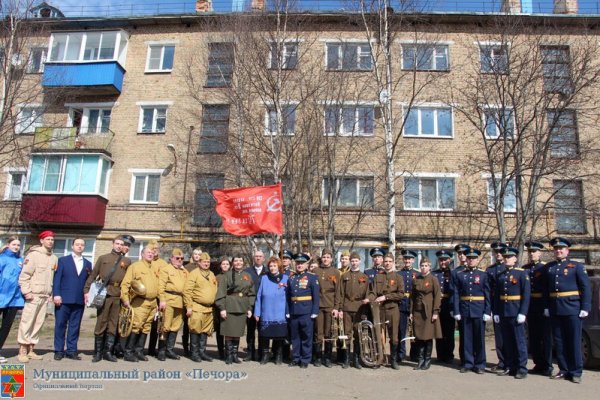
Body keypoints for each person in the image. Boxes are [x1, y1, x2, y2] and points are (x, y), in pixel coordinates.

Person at [544, 237, 591, 384]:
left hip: (572, 308)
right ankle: (563, 369)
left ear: (567, 251)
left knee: (573, 341)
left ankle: (576, 371)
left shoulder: (576, 266)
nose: (558, 251)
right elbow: (546, 289)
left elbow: (585, 288)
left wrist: (585, 307)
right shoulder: (549, 267)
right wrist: (546, 306)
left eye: (561, 249)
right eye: (556, 249)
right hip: (555, 309)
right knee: (559, 341)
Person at [84, 235, 131, 362]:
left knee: (113, 324)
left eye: (122, 244)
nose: (119, 246)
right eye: (117, 243)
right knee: (101, 322)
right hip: (103, 293)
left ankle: (108, 352)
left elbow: (128, 280)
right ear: (113, 244)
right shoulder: (103, 258)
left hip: (118, 295)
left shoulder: (127, 261)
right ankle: (98, 352)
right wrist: (86, 291)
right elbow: (93, 275)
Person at [17, 230, 58, 363]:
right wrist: (26, 292)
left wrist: (51, 294)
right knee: (27, 322)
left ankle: (31, 349)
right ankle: (22, 350)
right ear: (41, 241)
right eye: (48, 239)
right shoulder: (33, 255)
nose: (50, 242)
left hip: (45, 296)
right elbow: (24, 276)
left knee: (38, 323)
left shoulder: (54, 258)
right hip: (33, 295)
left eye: (52, 240)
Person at [493, 246, 530, 379]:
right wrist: (496, 312)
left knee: (519, 341)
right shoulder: (501, 275)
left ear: (515, 259)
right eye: (505, 257)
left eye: (509, 257)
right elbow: (497, 296)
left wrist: (523, 312)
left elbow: (526, 295)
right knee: (507, 341)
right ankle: (511, 366)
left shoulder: (521, 273)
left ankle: (522, 367)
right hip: (504, 312)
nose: (507, 259)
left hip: (516, 311)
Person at [452, 248, 491, 374]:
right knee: (466, 338)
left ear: (477, 260)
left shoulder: (483, 274)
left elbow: (487, 294)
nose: (471, 260)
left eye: (473, 258)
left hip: (478, 309)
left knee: (479, 338)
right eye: (469, 258)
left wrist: (487, 311)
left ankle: (480, 364)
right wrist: (456, 311)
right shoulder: (460, 274)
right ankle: (468, 363)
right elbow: (456, 294)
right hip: (465, 309)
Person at [52, 238, 92, 360]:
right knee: (60, 325)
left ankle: (71, 350)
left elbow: (88, 282)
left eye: (82, 245)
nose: (80, 246)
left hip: (79, 300)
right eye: (77, 244)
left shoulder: (88, 263)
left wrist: (88, 294)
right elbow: (57, 279)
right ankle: (58, 350)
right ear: (72, 246)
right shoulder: (63, 261)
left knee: (75, 326)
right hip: (63, 299)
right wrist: (56, 294)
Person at [120, 246, 159, 362]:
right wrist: (125, 299)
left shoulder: (154, 268)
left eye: (152, 253)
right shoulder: (135, 266)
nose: (150, 254)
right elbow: (125, 284)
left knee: (146, 327)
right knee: (136, 326)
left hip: (152, 302)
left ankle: (139, 351)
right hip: (139, 302)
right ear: (142, 254)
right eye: (148, 252)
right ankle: (128, 352)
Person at [216, 254, 256, 364]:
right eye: (236, 261)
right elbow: (221, 293)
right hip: (229, 306)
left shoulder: (247, 275)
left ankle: (235, 355)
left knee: (238, 332)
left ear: (243, 263)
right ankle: (228, 355)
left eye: (240, 261)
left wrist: (249, 308)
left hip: (242, 307)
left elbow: (251, 294)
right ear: (233, 263)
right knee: (229, 332)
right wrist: (222, 308)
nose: (238, 263)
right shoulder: (227, 275)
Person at [368, 252, 404, 370]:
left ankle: (393, 360)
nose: (387, 263)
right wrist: (369, 299)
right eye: (386, 261)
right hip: (380, 309)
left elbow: (400, 294)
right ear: (383, 263)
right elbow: (373, 292)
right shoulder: (378, 276)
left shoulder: (398, 277)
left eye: (389, 261)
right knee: (379, 335)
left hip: (393, 309)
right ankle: (380, 359)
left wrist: (386, 297)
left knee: (393, 336)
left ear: (393, 263)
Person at [333, 251, 369, 369]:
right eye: (352, 261)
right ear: (350, 262)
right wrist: (340, 308)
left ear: (359, 262)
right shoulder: (344, 276)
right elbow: (340, 293)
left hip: (359, 307)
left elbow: (367, 295)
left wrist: (364, 310)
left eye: (356, 261)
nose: (354, 263)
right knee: (347, 334)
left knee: (358, 333)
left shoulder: (364, 277)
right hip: (347, 307)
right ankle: (347, 359)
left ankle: (356, 359)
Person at [523, 241, 553, 376]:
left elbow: (548, 288)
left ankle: (547, 365)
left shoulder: (545, 268)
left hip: (542, 304)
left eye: (534, 251)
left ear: (540, 253)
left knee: (545, 337)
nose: (532, 254)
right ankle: (538, 363)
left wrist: (547, 306)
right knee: (533, 336)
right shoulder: (525, 268)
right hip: (530, 305)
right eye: (530, 252)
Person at [183, 252, 218, 363]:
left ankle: (202, 352)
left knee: (205, 331)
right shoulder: (194, 274)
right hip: (197, 306)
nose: (206, 264)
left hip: (209, 308)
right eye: (204, 262)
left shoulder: (212, 274)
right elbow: (187, 291)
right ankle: (194, 353)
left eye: (208, 262)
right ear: (199, 262)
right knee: (195, 330)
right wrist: (189, 307)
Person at [287, 253, 320, 369]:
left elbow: (316, 296)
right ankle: (296, 358)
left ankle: (305, 359)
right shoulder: (292, 278)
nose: (299, 265)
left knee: (306, 336)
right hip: (294, 311)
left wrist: (315, 311)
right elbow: (288, 296)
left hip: (306, 311)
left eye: (302, 263)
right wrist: (288, 310)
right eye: (298, 263)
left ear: (307, 264)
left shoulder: (312, 277)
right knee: (295, 337)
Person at [254, 256, 289, 365]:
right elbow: (259, 296)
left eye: (274, 266)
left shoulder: (286, 278)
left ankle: (278, 355)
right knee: (265, 335)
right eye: (270, 266)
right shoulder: (264, 278)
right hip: (266, 312)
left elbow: (289, 297)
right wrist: (257, 312)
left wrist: (288, 311)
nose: (272, 268)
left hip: (280, 312)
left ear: (278, 266)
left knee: (279, 335)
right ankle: (265, 355)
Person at [411, 256, 442, 370]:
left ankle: (427, 360)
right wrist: (411, 311)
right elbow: (412, 297)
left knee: (428, 336)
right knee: (419, 336)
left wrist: (435, 311)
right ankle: (420, 360)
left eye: (426, 266)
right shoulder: (416, 279)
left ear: (429, 267)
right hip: (418, 311)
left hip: (428, 311)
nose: (424, 268)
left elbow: (437, 296)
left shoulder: (433, 279)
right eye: (422, 266)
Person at [157, 248, 188, 361]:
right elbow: (161, 286)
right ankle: (161, 350)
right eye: (177, 258)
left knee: (175, 327)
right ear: (171, 258)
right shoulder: (166, 269)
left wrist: (184, 269)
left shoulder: (183, 271)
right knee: (165, 325)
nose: (179, 260)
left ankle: (170, 350)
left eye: (182, 258)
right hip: (168, 300)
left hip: (180, 301)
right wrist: (162, 300)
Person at [313, 248, 341, 367]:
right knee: (318, 332)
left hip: (330, 305)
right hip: (318, 305)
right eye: (324, 257)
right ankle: (318, 356)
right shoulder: (315, 271)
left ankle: (328, 357)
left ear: (331, 259)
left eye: (328, 257)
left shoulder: (335, 272)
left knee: (328, 332)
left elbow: (338, 291)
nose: (325, 259)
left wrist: (336, 307)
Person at [0, 237, 24, 363]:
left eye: (18, 245)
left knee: (6, 326)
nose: (16, 247)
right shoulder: (2, 258)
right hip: (1, 296)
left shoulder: (21, 260)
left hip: (15, 299)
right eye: (14, 244)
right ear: (8, 244)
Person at [487, 241, 508, 373]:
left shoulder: (510, 267)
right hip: (497, 305)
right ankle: (502, 361)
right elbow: (487, 290)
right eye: (496, 252)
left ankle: (511, 361)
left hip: (511, 305)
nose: (499, 254)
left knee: (511, 335)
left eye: (501, 252)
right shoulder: (490, 270)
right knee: (499, 336)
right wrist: (489, 309)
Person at [432, 249, 455, 364]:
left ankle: (449, 355)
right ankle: (440, 355)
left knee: (449, 332)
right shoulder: (434, 273)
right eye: (441, 260)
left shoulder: (453, 273)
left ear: (449, 260)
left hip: (448, 304)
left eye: (445, 260)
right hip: (437, 305)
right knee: (438, 331)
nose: (443, 262)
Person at [147, 240, 169, 357]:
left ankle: (155, 349)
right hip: (147, 296)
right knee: (145, 324)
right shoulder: (146, 262)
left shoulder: (163, 263)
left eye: (156, 249)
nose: (154, 251)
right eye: (152, 249)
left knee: (158, 325)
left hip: (159, 297)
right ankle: (138, 349)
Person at [450, 243, 470, 365]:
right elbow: (453, 292)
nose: (462, 256)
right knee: (463, 335)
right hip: (461, 307)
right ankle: (464, 359)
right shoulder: (455, 272)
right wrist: (454, 309)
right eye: (459, 254)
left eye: (464, 253)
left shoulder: (478, 271)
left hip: (475, 307)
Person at [244, 250, 266, 361]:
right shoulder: (247, 271)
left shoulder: (268, 272)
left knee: (262, 330)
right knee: (250, 330)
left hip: (264, 306)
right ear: (253, 258)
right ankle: (250, 352)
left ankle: (262, 352)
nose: (258, 258)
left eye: (260, 256)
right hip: (251, 305)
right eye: (256, 256)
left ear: (264, 258)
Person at [182, 246, 202, 357]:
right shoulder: (186, 268)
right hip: (189, 299)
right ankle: (186, 347)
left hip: (198, 300)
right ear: (192, 255)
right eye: (195, 254)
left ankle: (196, 348)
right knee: (187, 325)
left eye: (199, 255)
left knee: (197, 325)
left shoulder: (203, 267)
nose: (197, 256)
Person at [398, 249, 416, 362]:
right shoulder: (398, 273)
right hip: (402, 304)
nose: (407, 260)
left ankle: (414, 354)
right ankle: (401, 353)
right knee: (401, 330)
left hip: (414, 305)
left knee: (414, 331)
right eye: (405, 259)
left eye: (409, 259)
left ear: (413, 260)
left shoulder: (418, 274)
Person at [214, 256, 230, 360]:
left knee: (229, 330)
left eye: (227, 264)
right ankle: (220, 352)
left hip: (230, 305)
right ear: (220, 265)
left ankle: (228, 351)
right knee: (220, 330)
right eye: (223, 264)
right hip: (219, 305)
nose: (225, 266)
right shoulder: (217, 277)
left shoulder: (233, 276)